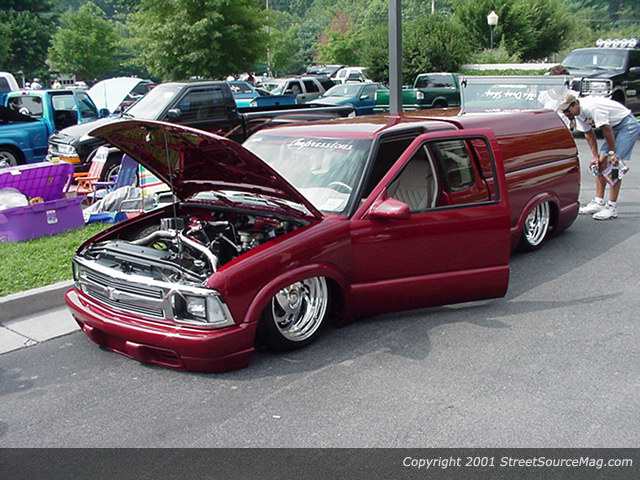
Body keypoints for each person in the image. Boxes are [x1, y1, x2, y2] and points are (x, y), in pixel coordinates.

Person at [558, 93, 640, 220]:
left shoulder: (592, 108)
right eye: (564, 112)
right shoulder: (577, 114)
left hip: (627, 125)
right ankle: (598, 202)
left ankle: (612, 207)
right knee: (600, 163)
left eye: (567, 111)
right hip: (614, 127)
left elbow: (606, 130)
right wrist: (595, 156)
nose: (566, 114)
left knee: (613, 165)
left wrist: (613, 153)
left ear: (575, 105)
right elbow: (588, 134)